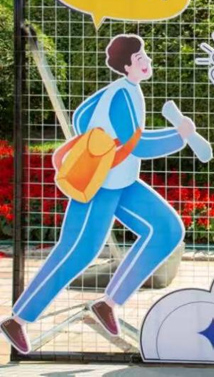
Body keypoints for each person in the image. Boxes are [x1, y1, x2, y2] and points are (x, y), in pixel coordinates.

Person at [1, 35, 193, 354]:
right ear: (127, 65)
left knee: (167, 229)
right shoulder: (121, 95)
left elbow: (82, 117)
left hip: (123, 182)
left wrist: (99, 138)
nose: (147, 60)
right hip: (98, 185)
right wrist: (179, 136)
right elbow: (138, 145)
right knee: (78, 251)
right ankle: (18, 319)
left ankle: (108, 303)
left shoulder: (127, 90)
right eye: (141, 57)